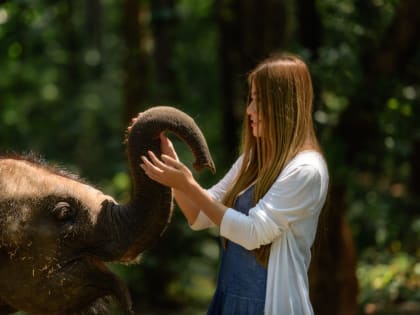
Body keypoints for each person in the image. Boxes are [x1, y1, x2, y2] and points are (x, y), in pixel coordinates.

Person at [140, 53, 329, 315]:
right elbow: (199, 216)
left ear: (285, 105)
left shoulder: (307, 170)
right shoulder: (252, 159)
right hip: (229, 300)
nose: (249, 110)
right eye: (250, 99)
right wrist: (174, 170)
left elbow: (253, 233)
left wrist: (188, 185)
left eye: (259, 101)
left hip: (266, 306)